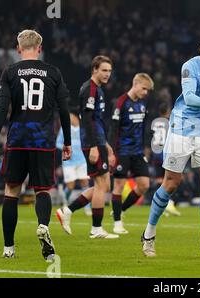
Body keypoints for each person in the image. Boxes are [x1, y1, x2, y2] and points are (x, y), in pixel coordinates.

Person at [141, 29, 200, 257]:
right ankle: (149, 234)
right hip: (183, 128)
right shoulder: (191, 66)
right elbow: (188, 97)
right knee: (171, 183)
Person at [0, 29, 72, 259]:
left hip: (17, 140)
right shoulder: (53, 72)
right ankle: (43, 225)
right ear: (40, 48)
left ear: (18, 49)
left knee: (12, 191)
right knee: (42, 190)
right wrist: (67, 140)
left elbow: (1, 109)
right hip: (43, 140)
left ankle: (8, 249)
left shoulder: (10, 72)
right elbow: (64, 110)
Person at [56, 55, 118, 239]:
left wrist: (105, 144)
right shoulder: (90, 90)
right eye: (104, 70)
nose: (107, 74)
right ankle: (96, 229)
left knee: (104, 185)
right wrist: (92, 146)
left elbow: (96, 121)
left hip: (97, 141)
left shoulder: (97, 89)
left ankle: (67, 211)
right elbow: (88, 120)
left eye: (109, 71)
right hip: (92, 142)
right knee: (100, 185)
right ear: (95, 70)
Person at [108, 73, 154, 234]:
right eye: (144, 88)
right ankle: (117, 224)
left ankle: (120, 210)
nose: (145, 92)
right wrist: (112, 153)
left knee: (144, 185)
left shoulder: (142, 103)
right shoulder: (121, 102)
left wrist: (145, 147)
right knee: (119, 186)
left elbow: (144, 127)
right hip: (122, 151)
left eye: (147, 90)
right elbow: (113, 130)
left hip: (138, 151)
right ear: (135, 84)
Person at [56, 111, 91, 215]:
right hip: (69, 162)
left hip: (82, 160)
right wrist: (64, 149)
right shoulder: (64, 129)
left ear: (76, 117)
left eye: (70, 116)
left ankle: (87, 208)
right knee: (70, 186)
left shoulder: (83, 128)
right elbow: (58, 143)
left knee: (85, 183)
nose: (69, 119)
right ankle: (65, 201)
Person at [150, 101, 181, 216]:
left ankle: (160, 204)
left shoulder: (155, 122)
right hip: (166, 154)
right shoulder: (170, 122)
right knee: (169, 180)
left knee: (160, 179)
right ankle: (168, 203)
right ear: (169, 111)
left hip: (156, 154)